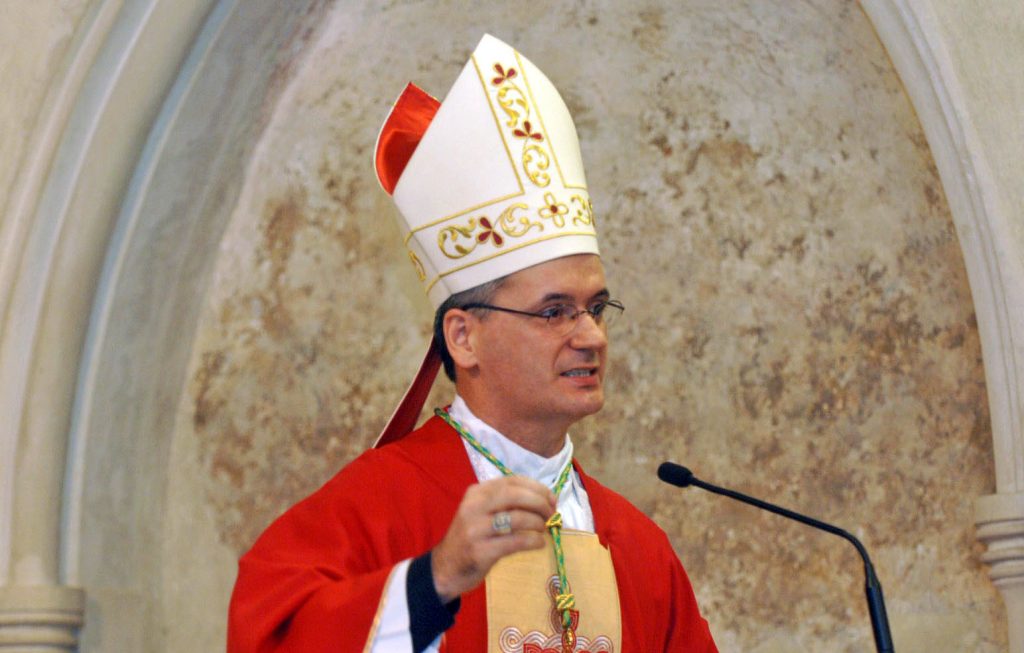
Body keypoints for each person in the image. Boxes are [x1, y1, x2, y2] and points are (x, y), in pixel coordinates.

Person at [227, 34, 717, 653]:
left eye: (596, 308)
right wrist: (434, 582)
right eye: (555, 312)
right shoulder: (380, 506)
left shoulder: (639, 548)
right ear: (463, 336)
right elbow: (271, 634)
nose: (592, 336)